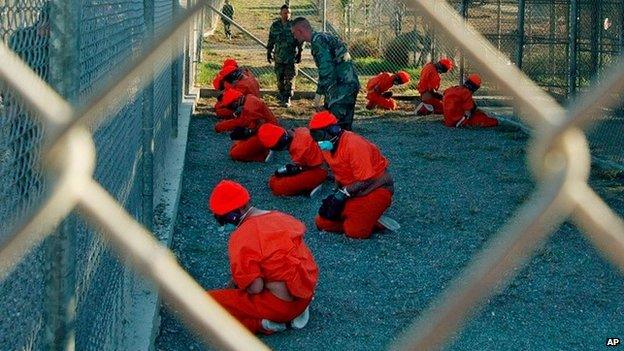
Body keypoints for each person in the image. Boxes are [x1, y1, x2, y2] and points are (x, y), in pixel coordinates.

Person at [207, 180, 319, 334]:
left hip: (281, 306)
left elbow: (255, 288)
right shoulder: (281, 217)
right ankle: (289, 315)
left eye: (222, 218)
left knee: (208, 303)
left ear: (237, 211)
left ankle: (265, 325)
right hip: (304, 296)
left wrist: (233, 290)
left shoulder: (241, 237)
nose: (222, 223)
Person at [308, 111, 396, 239]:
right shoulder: (327, 147)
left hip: (375, 188)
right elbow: (338, 170)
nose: (318, 140)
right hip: (353, 191)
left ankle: (372, 220)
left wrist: (343, 193)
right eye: (314, 136)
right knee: (322, 222)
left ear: (334, 130)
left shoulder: (354, 144)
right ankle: (362, 217)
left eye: (320, 135)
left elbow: (367, 179)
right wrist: (337, 192)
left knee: (355, 232)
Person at [291, 17, 359, 130]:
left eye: (294, 33)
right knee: (345, 130)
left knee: (335, 129)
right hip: (349, 84)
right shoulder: (322, 37)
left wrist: (318, 96)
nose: (294, 36)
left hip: (341, 88)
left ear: (300, 31)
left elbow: (326, 71)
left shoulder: (318, 42)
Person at [257, 123, 327, 197]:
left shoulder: (299, 149)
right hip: (317, 164)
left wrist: (296, 171)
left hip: (320, 170)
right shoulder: (299, 131)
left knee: (277, 186)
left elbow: (313, 166)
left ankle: (313, 185)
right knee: (275, 179)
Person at [214, 88, 279, 162]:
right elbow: (245, 121)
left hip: (267, 135)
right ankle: (267, 148)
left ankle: (265, 153)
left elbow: (260, 125)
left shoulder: (249, 107)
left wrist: (248, 132)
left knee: (235, 153)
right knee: (235, 146)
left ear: (236, 101)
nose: (232, 109)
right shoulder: (248, 99)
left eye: (231, 107)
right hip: (268, 131)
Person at [267, 5, 303, 108]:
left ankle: (288, 98)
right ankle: (282, 95)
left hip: (291, 57)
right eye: (284, 13)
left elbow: (300, 40)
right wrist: (269, 52)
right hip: (278, 57)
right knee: (279, 78)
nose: (286, 15)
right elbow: (271, 39)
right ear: (280, 14)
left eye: (288, 13)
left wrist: (300, 52)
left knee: (290, 78)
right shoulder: (275, 25)